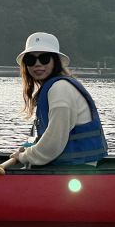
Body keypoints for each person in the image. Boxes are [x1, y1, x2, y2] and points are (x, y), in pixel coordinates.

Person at [9, 32, 107, 168]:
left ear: (56, 61)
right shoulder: (56, 86)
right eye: (30, 60)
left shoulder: (60, 89)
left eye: (44, 58)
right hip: (69, 166)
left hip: (77, 169)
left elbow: (54, 141)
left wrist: (24, 156)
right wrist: (29, 149)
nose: (37, 64)